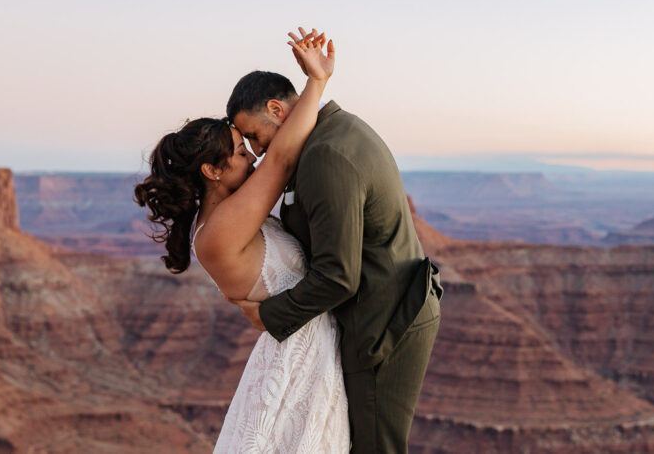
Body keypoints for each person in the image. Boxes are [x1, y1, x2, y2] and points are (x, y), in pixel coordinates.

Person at [134, 27, 348, 453]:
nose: (253, 155)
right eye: (239, 151)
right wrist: (317, 81)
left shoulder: (226, 217)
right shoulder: (218, 230)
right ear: (211, 171)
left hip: (307, 354)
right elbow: (282, 158)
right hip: (301, 365)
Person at [227, 41, 443, 454]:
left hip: (385, 325)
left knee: (376, 446)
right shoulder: (330, 133)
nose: (256, 151)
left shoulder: (326, 154)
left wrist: (267, 315)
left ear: (276, 110)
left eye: (254, 135)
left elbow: (338, 276)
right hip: (386, 310)